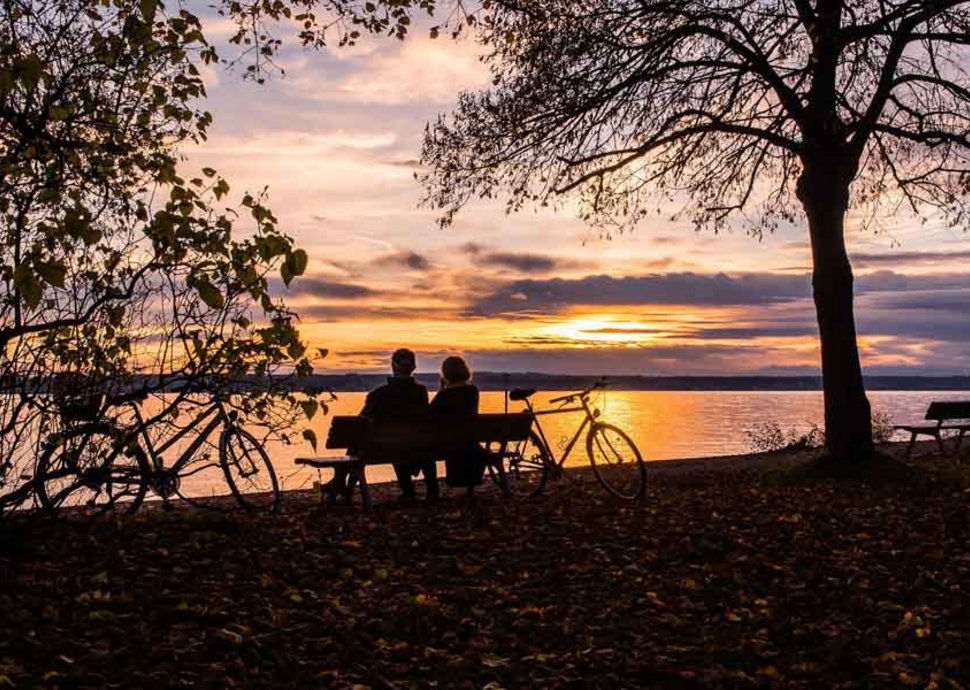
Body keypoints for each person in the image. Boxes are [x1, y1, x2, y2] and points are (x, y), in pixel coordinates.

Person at [326, 348, 436, 504]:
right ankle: (341, 485)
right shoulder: (421, 393)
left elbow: (358, 424)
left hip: (384, 449)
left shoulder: (379, 394)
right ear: (414, 367)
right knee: (388, 441)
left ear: (392, 365)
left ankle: (342, 486)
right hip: (416, 447)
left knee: (357, 440)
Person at [429, 356, 487, 491]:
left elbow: (429, 414)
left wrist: (441, 389)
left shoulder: (444, 396)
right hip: (469, 441)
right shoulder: (473, 391)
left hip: (450, 443)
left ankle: (432, 490)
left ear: (446, 374)